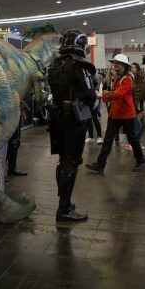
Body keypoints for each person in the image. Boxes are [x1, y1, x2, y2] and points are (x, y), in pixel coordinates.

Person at [47, 28, 96, 221]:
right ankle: (64, 208)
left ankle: (64, 203)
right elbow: (91, 94)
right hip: (75, 118)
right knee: (72, 161)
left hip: (57, 116)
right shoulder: (80, 65)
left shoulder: (54, 64)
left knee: (62, 159)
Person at [86, 54, 145, 174]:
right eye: (114, 63)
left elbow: (119, 94)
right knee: (108, 139)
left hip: (126, 114)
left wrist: (104, 95)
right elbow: (116, 94)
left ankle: (141, 160)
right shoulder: (119, 77)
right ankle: (100, 164)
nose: (114, 65)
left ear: (123, 65)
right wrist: (106, 95)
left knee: (133, 139)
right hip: (116, 113)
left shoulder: (127, 79)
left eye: (117, 63)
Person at [124, 63, 145, 151]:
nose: (133, 69)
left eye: (135, 68)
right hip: (136, 110)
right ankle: (132, 143)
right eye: (132, 67)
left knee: (141, 127)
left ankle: (134, 143)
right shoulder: (135, 84)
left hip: (137, 109)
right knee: (139, 127)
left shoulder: (136, 84)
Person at [85, 71, 103, 144]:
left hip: (95, 99)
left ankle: (100, 137)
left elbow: (98, 88)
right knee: (89, 118)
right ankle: (91, 136)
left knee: (94, 118)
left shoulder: (96, 77)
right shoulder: (85, 77)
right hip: (89, 100)